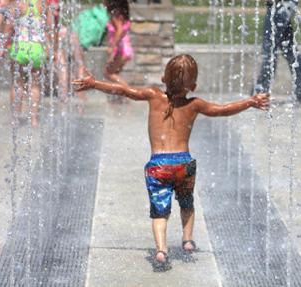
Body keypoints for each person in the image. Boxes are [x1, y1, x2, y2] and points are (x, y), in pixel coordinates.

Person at [73, 54, 270, 269]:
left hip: (158, 165)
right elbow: (222, 110)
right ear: (193, 86)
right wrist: (250, 102)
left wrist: (94, 84)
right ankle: (187, 240)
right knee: (187, 203)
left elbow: (123, 91)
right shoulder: (195, 104)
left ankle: (161, 250)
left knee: (160, 211)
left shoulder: (152, 95)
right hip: (184, 164)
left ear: (163, 78)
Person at [255, 0, 301, 108]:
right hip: (283, 4)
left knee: (270, 50)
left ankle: (261, 95)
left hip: (281, 4)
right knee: (289, 49)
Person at [3, 0, 50, 126]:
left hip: (19, 48)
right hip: (37, 48)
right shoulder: (43, 4)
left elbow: (8, 28)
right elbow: (49, 30)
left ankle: (15, 118)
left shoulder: (18, 4)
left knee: (17, 83)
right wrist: (51, 49)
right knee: (35, 85)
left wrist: (2, 46)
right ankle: (34, 119)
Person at [103, 0, 133, 87]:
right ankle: (117, 100)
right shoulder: (121, 14)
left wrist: (112, 48)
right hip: (125, 49)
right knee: (115, 74)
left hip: (121, 51)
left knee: (108, 73)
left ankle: (130, 93)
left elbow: (119, 30)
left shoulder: (115, 15)